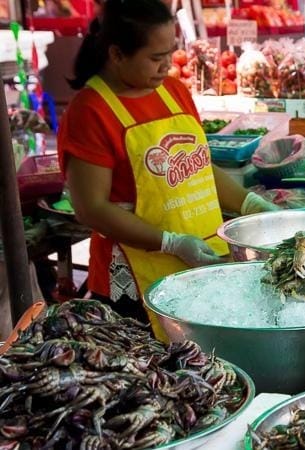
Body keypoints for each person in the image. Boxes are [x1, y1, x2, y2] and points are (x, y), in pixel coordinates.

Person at [57, 0, 277, 334]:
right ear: (116, 55)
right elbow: (92, 208)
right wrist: (171, 243)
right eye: (155, 58)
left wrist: (250, 204)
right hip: (133, 280)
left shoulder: (173, 91)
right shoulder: (90, 111)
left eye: (170, 54)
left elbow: (199, 167)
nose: (166, 66)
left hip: (204, 262)